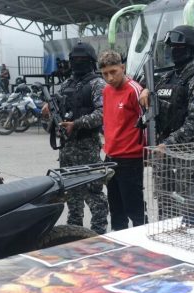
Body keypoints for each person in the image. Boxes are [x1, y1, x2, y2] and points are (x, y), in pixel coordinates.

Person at [139, 25, 194, 221]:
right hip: (162, 157)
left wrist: (168, 144)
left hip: (185, 158)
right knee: (165, 210)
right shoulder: (166, 77)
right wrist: (145, 91)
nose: (173, 51)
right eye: (172, 47)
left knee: (188, 214)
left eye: (178, 47)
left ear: (191, 49)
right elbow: (155, 102)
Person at [43, 42, 109, 234]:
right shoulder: (66, 85)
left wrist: (77, 124)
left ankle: (98, 233)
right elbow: (57, 110)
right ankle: (75, 232)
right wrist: (48, 111)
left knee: (94, 193)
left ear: (91, 62)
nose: (77, 63)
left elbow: (103, 113)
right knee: (72, 194)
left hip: (87, 146)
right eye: (74, 60)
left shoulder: (98, 84)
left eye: (82, 60)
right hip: (67, 148)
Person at [99, 50, 147, 231]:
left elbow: (146, 123)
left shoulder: (135, 90)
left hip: (131, 159)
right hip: (111, 157)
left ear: (122, 68)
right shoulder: (106, 91)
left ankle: (143, 245)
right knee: (116, 210)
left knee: (134, 209)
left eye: (113, 72)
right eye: (105, 74)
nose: (109, 78)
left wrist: (145, 153)